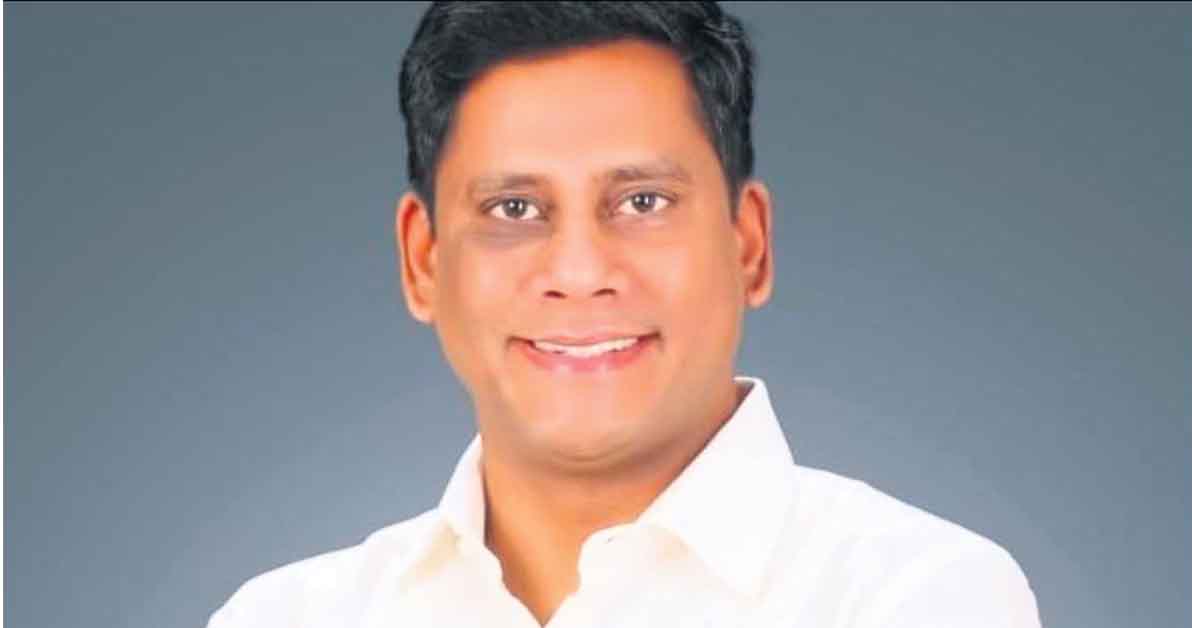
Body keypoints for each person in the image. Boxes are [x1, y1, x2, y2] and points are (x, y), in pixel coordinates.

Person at [207, 2, 1042, 626]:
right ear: (423, 260)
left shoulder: (920, 596)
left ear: (749, 243)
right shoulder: (284, 617)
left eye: (643, 201)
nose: (580, 273)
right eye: (513, 209)